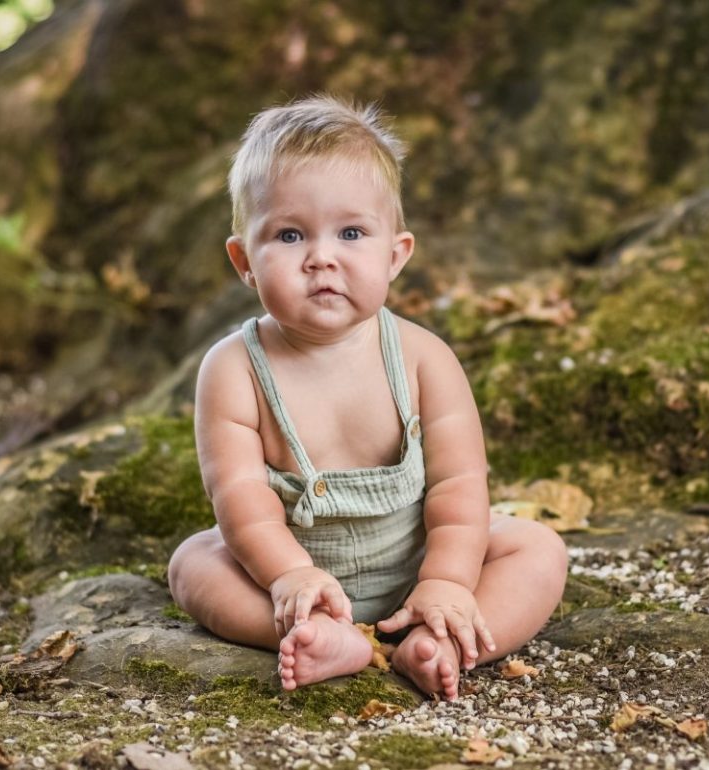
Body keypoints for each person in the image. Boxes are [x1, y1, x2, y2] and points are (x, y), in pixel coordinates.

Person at [168, 95, 567, 700]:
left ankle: (438, 638)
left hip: (420, 563)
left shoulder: (423, 358)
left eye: (351, 232)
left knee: (538, 549)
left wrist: (447, 579)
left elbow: (460, 486)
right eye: (290, 234)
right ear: (244, 261)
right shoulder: (232, 369)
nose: (321, 257)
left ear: (395, 254)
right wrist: (289, 576)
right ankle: (325, 636)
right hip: (290, 578)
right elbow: (240, 498)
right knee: (194, 565)